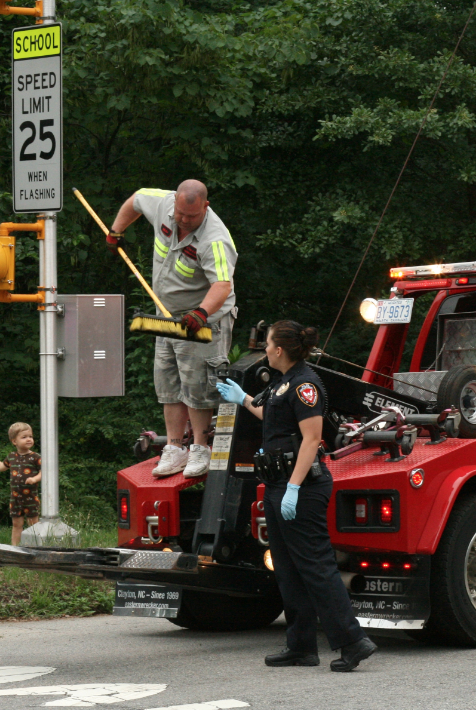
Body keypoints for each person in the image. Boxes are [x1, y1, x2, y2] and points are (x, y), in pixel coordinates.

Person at [216, 321, 377, 672]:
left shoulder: (306, 385)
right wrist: (242, 399)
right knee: (288, 569)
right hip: (278, 484)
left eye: (268, 343)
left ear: (279, 350)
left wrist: (293, 487)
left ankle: (353, 641)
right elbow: (273, 418)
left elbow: (311, 438)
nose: (264, 348)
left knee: (317, 567)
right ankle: (301, 646)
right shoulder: (282, 381)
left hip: (300, 487)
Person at [109, 179, 238, 479]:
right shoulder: (166, 205)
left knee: (197, 385)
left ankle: (201, 448)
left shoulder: (215, 239)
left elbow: (222, 285)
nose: (182, 220)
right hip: (166, 316)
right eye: (180, 213)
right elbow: (138, 196)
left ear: (205, 207)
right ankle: (174, 447)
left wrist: (202, 313)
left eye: (190, 216)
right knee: (168, 383)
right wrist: (116, 230)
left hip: (203, 320)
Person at [0, 422, 42, 546]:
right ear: (14, 441)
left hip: (31, 498)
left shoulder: (35, 457)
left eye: (30, 436)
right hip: (15, 498)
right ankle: (14, 548)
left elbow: (44, 472)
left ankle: (36, 548)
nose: (29, 439)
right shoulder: (11, 457)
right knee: (16, 524)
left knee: (34, 525)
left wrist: (35, 479)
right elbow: (1, 467)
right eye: (24, 437)